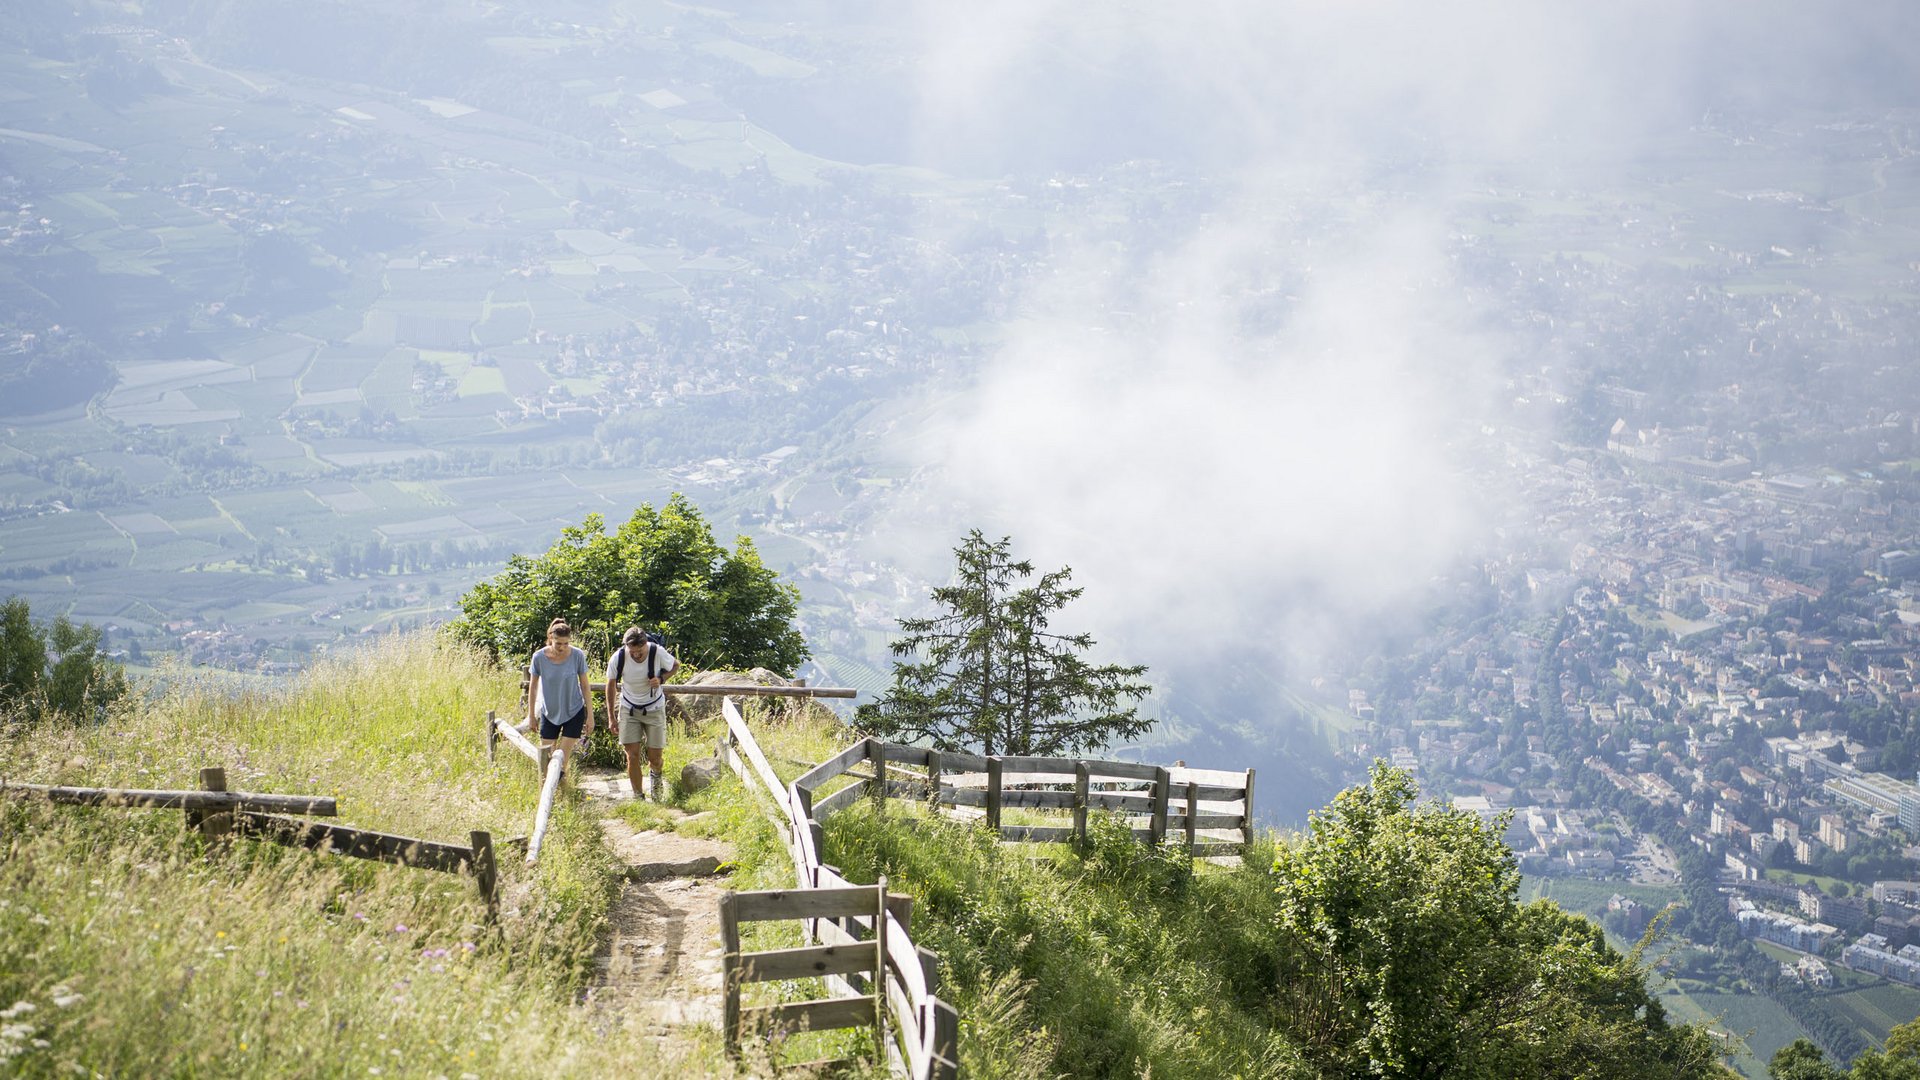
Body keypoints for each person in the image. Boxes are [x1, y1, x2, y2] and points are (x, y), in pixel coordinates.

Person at [606, 625, 678, 801]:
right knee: (632, 755)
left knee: (655, 757)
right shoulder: (619, 657)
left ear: (646, 644)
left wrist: (661, 679)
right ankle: (638, 796)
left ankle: (656, 779)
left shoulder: (657, 652)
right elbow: (610, 684)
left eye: (640, 651)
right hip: (629, 709)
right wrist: (611, 717)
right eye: (633, 651)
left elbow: (675, 665)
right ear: (626, 646)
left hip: (654, 708)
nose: (637, 654)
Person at [527, 618, 594, 779]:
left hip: (573, 711)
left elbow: (585, 685)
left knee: (562, 760)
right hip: (549, 711)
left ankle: (562, 792)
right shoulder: (538, 657)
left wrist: (590, 716)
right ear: (551, 638)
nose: (562, 647)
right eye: (559, 644)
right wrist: (531, 716)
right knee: (547, 759)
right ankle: (551, 795)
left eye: (566, 643)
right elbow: (533, 687)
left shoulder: (577, 655)